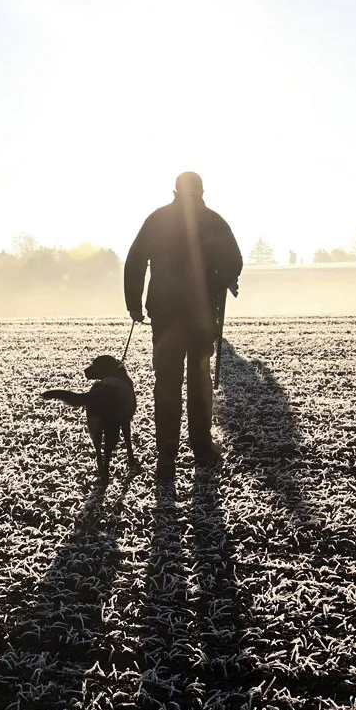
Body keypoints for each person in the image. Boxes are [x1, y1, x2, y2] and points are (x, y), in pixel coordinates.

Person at [125, 171, 243, 480]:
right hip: (201, 314)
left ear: (175, 191)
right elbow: (235, 261)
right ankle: (202, 448)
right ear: (202, 190)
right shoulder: (214, 221)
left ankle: (166, 454)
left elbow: (135, 261)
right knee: (200, 380)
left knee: (167, 383)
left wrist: (134, 303)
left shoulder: (158, 220)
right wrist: (218, 280)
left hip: (165, 314)